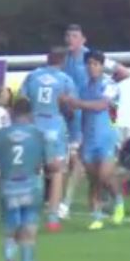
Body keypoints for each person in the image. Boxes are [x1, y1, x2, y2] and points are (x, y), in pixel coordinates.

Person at [0, 98, 58, 261]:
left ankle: (9, 258)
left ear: (12, 113)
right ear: (30, 114)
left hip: (8, 187)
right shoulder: (39, 135)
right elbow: (51, 165)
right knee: (29, 234)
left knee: (11, 231)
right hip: (32, 187)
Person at [60, 24, 130, 220]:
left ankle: (67, 203)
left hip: (96, 119)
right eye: (68, 36)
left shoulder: (94, 57)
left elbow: (124, 72)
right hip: (80, 118)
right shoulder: (67, 60)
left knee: (91, 169)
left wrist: (108, 85)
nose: (70, 39)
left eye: (75, 36)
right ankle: (97, 205)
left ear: (83, 39)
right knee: (87, 168)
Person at [19, 47, 76, 232]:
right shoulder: (65, 80)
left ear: (47, 58)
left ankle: (28, 215)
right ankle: (52, 218)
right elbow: (71, 107)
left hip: (34, 126)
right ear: (63, 61)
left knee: (34, 171)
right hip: (55, 128)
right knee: (57, 171)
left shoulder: (32, 77)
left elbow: (21, 102)